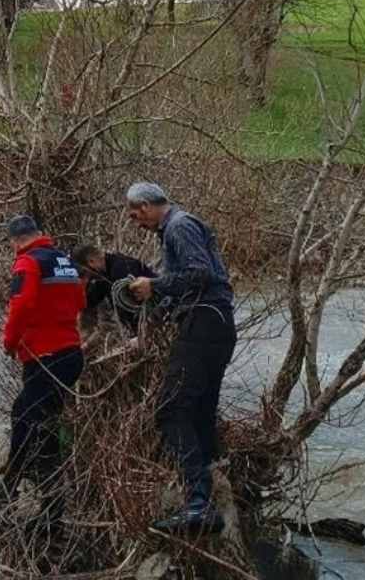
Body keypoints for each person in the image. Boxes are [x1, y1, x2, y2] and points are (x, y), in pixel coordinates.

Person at [123, 182, 235, 534]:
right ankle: (204, 502)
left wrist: (154, 286)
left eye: (135, 213)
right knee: (199, 411)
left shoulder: (179, 225)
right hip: (215, 324)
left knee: (170, 409)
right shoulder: (177, 228)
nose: (135, 221)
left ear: (146, 205)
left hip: (203, 322)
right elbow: (192, 281)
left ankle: (198, 503)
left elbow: (200, 273)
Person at [0, 215, 86, 526]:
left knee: (23, 414)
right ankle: (52, 508)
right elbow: (80, 301)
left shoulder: (28, 262)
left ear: (16, 240)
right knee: (45, 425)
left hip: (45, 356)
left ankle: (9, 486)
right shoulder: (63, 261)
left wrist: (9, 342)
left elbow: (20, 306)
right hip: (71, 354)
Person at [70, 244, 155, 336]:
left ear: (91, 262)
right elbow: (90, 300)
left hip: (153, 319)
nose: (87, 277)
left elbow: (138, 303)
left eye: (85, 272)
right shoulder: (103, 276)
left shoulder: (122, 268)